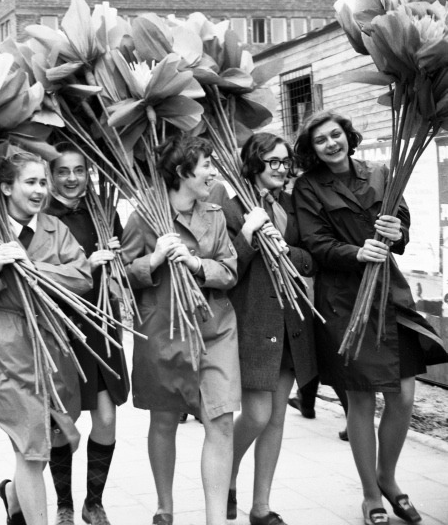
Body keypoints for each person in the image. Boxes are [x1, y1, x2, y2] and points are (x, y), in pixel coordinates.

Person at [292, 110, 448, 525]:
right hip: (344, 302)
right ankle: (369, 496)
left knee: (404, 396)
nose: (330, 143)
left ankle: (388, 478)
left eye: (335, 135)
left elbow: (404, 227)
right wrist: (356, 252)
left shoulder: (380, 173)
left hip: (389, 295)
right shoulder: (307, 188)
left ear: (348, 135)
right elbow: (314, 243)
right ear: (313, 150)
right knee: (360, 397)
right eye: (320, 140)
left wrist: (398, 232)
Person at [0, 150, 92, 525]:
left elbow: (83, 276)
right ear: (7, 187)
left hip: (54, 340)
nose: (41, 190)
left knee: (56, 436)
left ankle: (13, 494)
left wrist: (34, 269)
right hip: (6, 344)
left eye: (43, 182)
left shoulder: (57, 229)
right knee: (31, 449)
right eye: (31, 182)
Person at [122, 135, 240, 525]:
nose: (212, 172)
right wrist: (154, 258)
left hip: (215, 328)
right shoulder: (143, 216)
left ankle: (214, 520)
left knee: (221, 420)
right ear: (182, 171)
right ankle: (164, 507)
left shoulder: (216, 214)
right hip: (163, 329)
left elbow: (230, 269)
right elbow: (124, 274)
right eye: (205, 164)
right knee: (164, 418)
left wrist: (195, 265)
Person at [209, 132, 317, 525]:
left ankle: (261, 507)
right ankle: (228, 474)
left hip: (292, 320)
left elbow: (311, 256)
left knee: (275, 418)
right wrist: (249, 234)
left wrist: (290, 252)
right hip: (254, 321)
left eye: (286, 161)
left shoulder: (290, 202)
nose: (282, 168)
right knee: (256, 414)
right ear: (254, 162)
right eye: (273, 161)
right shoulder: (229, 202)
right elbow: (223, 267)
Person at [46, 145, 130, 525]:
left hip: (101, 323)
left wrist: (116, 256)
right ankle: (64, 504)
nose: (72, 178)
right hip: (59, 325)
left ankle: (92, 503)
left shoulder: (103, 210)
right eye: (63, 171)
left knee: (107, 417)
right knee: (62, 422)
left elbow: (125, 262)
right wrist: (85, 263)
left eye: (79, 170)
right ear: (50, 175)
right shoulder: (42, 214)